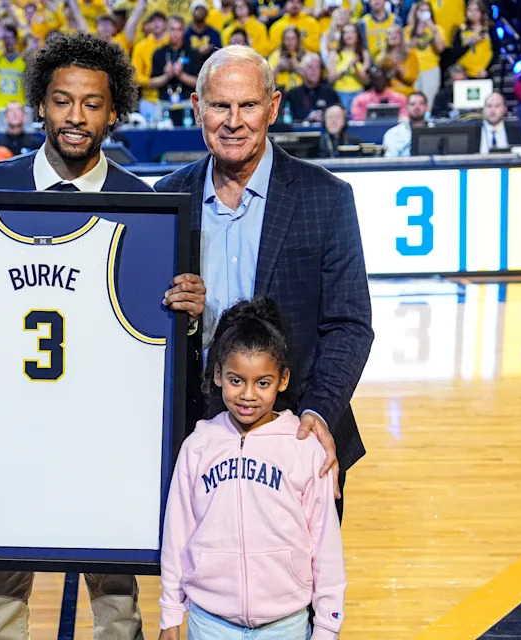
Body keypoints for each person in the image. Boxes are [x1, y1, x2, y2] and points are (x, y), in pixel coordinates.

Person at [0, 31, 207, 640]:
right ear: (40, 104)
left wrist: (189, 309)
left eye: (92, 103)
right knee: (0, 608)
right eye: (62, 100)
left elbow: (163, 341)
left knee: (118, 604)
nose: (76, 117)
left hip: (106, 440)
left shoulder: (147, 205)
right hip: (7, 433)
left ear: (114, 112)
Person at [155, 45, 373, 524]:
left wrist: (318, 412)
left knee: (301, 590)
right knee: (204, 587)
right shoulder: (167, 199)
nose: (234, 121)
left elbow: (349, 325)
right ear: (197, 109)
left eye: (248, 105)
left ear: (272, 107)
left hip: (298, 433)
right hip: (198, 436)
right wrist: (183, 320)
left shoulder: (326, 198)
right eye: (219, 106)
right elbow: (150, 330)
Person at [158, 297, 345, 640]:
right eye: (236, 380)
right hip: (210, 621)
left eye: (263, 382)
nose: (248, 395)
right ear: (217, 375)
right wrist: (171, 612)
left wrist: (327, 626)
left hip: (285, 624)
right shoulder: (198, 446)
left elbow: (325, 543)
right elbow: (177, 535)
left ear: (283, 380)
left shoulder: (303, 447)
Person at [150, 16, 202, 110]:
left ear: (184, 31)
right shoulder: (159, 53)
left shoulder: (193, 53)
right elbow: (152, 83)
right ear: (167, 30)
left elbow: (199, 83)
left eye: (179, 29)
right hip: (164, 103)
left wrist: (181, 75)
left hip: (187, 102)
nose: (175, 33)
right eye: (172, 29)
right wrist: (166, 76)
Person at [404, 1, 445, 109]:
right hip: (413, 71)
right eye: (421, 11)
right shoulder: (408, 31)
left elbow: (440, 48)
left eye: (427, 11)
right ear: (415, 13)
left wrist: (433, 29)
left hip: (430, 69)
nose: (424, 14)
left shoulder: (437, 29)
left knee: (429, 101)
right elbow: (406, 51)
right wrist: (416, 33)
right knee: (413, 102)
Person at [0, 21, 27, 120]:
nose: (8, 41)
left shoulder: (23, 60)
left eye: (11, 38)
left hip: (17, 110)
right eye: (6, 38)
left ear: (16, 39)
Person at [130, 9, 167, 122]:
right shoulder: (140, 47)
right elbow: (135, 77)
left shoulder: (173, 43)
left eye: (160, 21)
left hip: (171, 100)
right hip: (149, 100)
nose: (156, 24)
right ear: (149, 25)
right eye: (153, 21)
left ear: (166, 24)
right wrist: (153, 82)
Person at [326, 22, 370, 113]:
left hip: (359, 93)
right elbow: (330, 79)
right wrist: (344, 71)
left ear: (358, 35)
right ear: (342, 36)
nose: (349, 35)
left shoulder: (363, 53)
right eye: (346, 32)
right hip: (339, 93)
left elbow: (366, 81)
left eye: (352, 32)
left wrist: (355, 68)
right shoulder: (334, 54)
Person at [283, 53, 339, 123]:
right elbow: (287, 120)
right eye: (310, 67)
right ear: (303, 70)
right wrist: (308, 118)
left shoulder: (330, 93)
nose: (314, 71)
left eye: (317, 67)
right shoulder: (293, 94)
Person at [448, 0, 498, 79]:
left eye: (476, 10)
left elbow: (496, 51)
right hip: (464, 75)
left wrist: (487, 69)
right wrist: (470, 42)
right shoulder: (461, 30)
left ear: (482, 12)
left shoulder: (490, 29)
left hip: (483, 73)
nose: (473, 13)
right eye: (470, 10)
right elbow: (455, 52)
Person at [381, 90, 429, 157]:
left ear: (427, 107)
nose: (417, 107)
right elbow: (390, 161)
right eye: (412, 104)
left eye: (421, 103)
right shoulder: (393, 134)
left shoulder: (437, 131)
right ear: (406, 107)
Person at [377, 25, 419, 98]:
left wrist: (397, 66)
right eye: (390, 33)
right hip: (388, 95)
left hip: (405, 94)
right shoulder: (381, 58)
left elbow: (411, 79)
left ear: (402, 37)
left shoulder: (410, 54)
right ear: (386, 38)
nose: (393, 35)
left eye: (397, 33)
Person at [268, 26, 306, 93]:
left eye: (293, 39)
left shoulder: (305, 55)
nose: (290, 42)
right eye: (287, 39)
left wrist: (297, 67)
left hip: (301, 92)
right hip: (281, 92)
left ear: (298, 40)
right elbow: (268, 81)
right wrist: (278, 67)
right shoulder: (275, 56)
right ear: (283, 40)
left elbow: (311, 79)